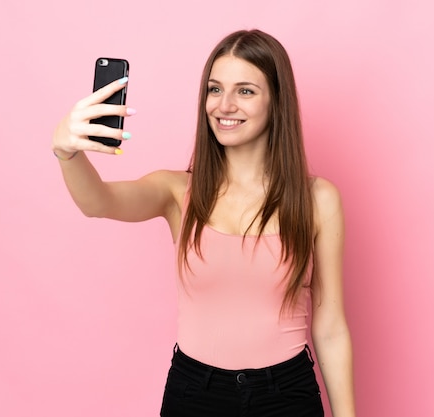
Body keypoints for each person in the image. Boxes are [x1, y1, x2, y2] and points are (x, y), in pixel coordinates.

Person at [52, 29, 355, 417]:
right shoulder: (177, 191)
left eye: (245, 91)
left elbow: (330, 326)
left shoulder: (318, 200)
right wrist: (68, 154)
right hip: (195, 393)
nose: (224, 105)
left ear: (276, 100)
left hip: (287, 395)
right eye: (215, 89)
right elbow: (98, 202)